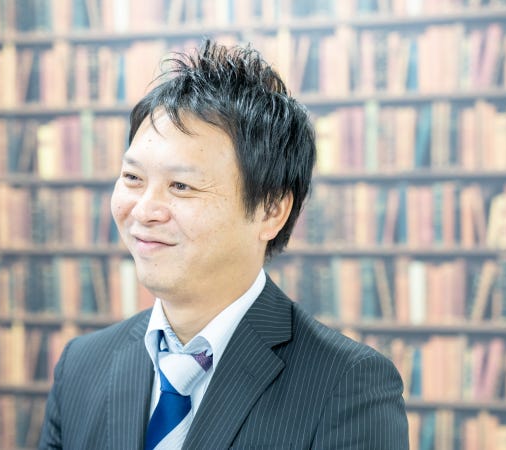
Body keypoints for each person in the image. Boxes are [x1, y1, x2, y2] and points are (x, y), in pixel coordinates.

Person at [39, 39, 409, 450]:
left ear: (271, 210)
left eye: (181, 186)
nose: (144, 210)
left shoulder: (347, 385)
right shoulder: (81, 365)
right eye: (133, 178)